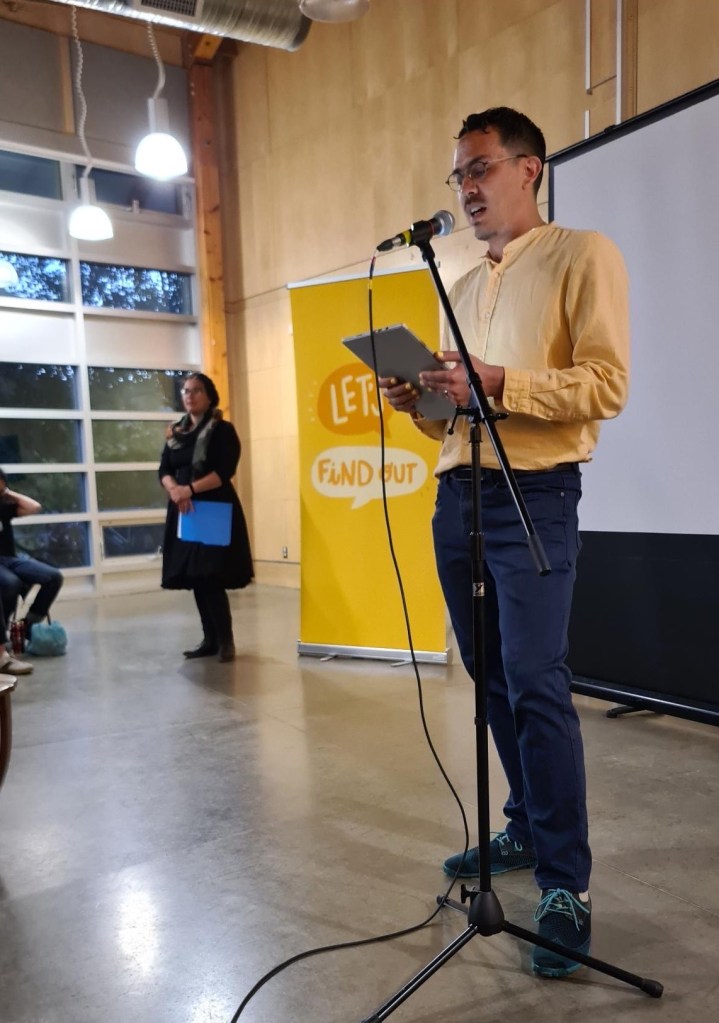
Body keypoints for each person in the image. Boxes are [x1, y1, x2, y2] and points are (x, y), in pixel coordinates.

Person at [379, 107, 629, 978]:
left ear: (529, 168)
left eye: (479, 167)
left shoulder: (581, 254)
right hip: (458, 495)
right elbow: (454, 419)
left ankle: (565, 886)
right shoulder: (461, 283)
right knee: (488, 677)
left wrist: (495, 381)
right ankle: (523, 824)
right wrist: (421, 404)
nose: (466, 187)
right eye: (458, 174)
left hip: (534, 494)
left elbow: (605, 384)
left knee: (534, 680)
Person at [159, 372, 253, 662]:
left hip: (213, 507)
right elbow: (164, 469)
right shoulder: (176, 433)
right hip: (184, 509)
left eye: (196, 390)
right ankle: (209, 640)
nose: (189, 395)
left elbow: (224, 472)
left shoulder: (222, 430)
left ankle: (226, 641)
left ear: (209, 396)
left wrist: (188, 489)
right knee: (195, 576)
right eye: (186, 391)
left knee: (210, 575)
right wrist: (174, 489)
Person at [0, 469, 64, 643]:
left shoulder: (3, 506)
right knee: (11, 583)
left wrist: (7, 493)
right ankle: (2, 633)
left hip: (10, 559)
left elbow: (34, 507)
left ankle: (27, 627)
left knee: (53, 577)